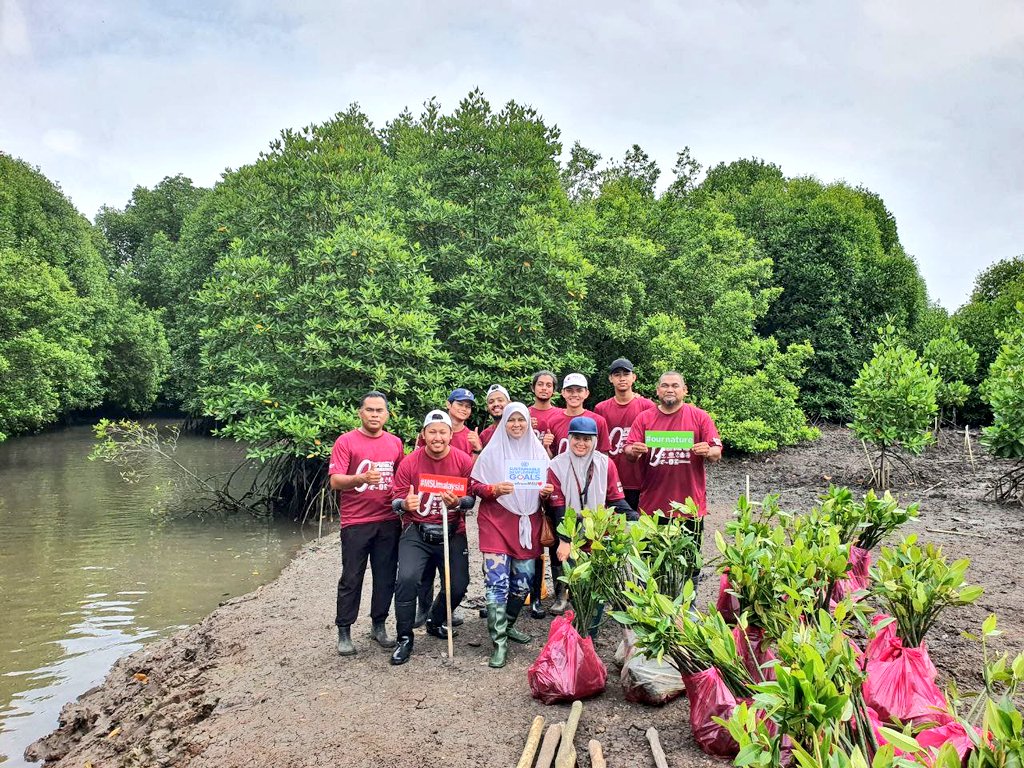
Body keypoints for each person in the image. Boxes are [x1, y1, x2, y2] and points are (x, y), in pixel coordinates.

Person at [470, 403, 554, 667]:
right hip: (496, 520)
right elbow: (474, 485)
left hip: (528, 521)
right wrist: (494, 489)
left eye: (521, 420)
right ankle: (499, 642)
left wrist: (546, 493)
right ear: (503, 423)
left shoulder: (539, 453)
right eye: (511, 420)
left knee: (523, 582)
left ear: (528, 423)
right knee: (496, 581)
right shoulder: (492, 452)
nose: (516, 424)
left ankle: (508, 625)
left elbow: (549, 485)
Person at [390, 410, 476, 665]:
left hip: (452, 531)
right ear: (423, 434)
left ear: (451, 434)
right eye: (432, 432)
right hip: (417, 531)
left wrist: (459, 501)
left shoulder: (462, 461)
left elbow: (472, 497)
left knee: (459, 584)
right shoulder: (409, 462)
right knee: (406, 579)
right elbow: (395, 498)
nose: (437, 437)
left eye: (442, 432)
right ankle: (404, 638)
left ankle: (435, 619)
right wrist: (405, 504)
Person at [328, 391, 405, 656]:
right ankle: (344, 630)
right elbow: (336, 481)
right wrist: (359, 479)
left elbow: (402, 477)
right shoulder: (346, 441)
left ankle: (379, 625)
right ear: (360, 412)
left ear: (387, 414)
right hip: (356, 521)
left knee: (385, 577)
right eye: (370, 410)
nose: (374, 415)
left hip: (388, 520)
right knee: (352, 577)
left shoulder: (395, 443)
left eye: (379, 411)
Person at [546, 416, 637, 629]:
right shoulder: (556, 465)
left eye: (587, 439)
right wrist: (565, 540)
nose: (581, 443)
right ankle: (580, 623)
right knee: (577, 583)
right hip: (570, 527)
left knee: (598, 583)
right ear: (569, 438)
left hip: (598, 530)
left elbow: (615, 498)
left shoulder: (605, 463)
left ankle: (590, 630)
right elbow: (558, 506)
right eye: (577, 437)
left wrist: (635, 517)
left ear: (595, 441)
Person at [624, 371, 723, 545]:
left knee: (690, 566)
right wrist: (634, 450)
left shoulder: (700, 417)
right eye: (665, 385)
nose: (670, 389)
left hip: (690, 506)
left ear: (685, 390)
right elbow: (629, 452)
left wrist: (708, 451)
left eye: (675, 386)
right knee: (652, 564)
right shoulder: (644, 418)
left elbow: (716, 452)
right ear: (657, 391)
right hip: (652, 506)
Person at [415, 387, 481, 627]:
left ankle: (444, 609)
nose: (464, 408)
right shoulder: (432, 429)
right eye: (459, 404)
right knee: (426, 565)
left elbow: (472, 474)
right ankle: (423, 608)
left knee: (450, 565)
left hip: (455, 504)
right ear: (448, 404)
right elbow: (419, 463)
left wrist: (477, 449)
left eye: (468, 405)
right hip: (428, 502)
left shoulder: (471, 436)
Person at [594, 358, 656, 512]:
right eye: (617, 374)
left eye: (626, 374)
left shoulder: (646, 406)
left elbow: (657, 439)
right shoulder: (601, 408)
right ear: (611, 379)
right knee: (614, 529)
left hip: (642, 478)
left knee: (640, 528)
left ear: (633, 377)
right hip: (612, 478)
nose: (622, 378)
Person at [546, 373, 613, 456]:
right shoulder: (553, 422)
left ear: (586, 393)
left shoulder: (598, 421)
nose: (574, 394)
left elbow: (604, 454)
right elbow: (551, 457)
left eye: (579, 390)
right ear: (563, 393)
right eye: (569, 390)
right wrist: (546, 447)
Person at [479, 384, 510, 448]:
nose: (496, 404)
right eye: (491, 402)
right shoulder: (485, 435)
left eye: (500, 400)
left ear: (509, 403)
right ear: (487, 407)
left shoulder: (519, 428)